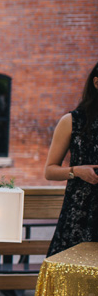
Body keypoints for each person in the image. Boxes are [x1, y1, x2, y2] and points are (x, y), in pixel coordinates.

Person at [44, 60, 98, 257]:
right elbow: (49, 170)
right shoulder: (71, 121)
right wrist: (77, 171)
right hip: (79, 215)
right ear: (96, 83)